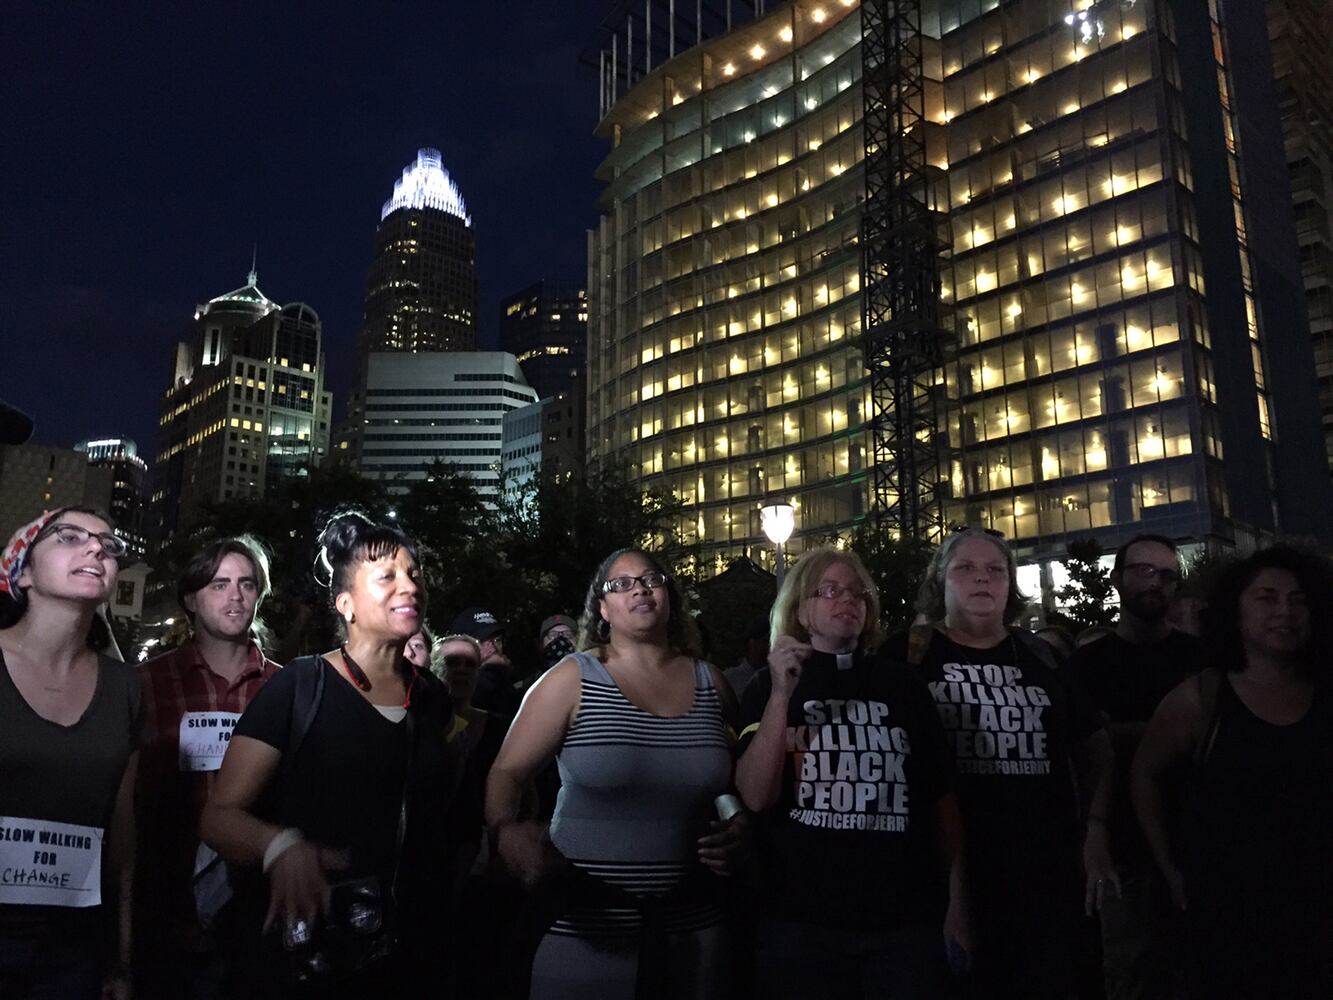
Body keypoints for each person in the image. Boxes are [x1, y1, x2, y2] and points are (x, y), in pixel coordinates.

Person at [200, 511, 457, 998]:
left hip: (412, 953)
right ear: (346, 604)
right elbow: (219, 817)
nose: (410, 586)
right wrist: (281, 846)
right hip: (313, 953)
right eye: (387, 577)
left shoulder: (431, 698)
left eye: (414, 574)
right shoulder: (300, 686)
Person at [485, 548, 741, 999]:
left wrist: (738, 825)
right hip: (583, 928)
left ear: (669, 596)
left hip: (693, 929)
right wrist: (506, 831)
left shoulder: (712, 684)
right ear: (602, 609)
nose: (639, 589)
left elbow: (731, 785)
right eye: (621, 584)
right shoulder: (572, 679)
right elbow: (507, 772)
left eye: (651, 579)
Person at [891, 527, 1115, 999]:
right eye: (966, 568)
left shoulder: (1041, 656)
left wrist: (1095, 831)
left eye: (995, 569)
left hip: (1045, 878)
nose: (982, 578)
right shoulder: (906, 655)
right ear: (939, 579)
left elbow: (1094, 747)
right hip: (939, 875)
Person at [735, 546, 966, 998]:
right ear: (800, 610)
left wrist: (958, 900)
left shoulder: (903, 687)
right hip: (801, 921)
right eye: (830, 590)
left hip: (901, 921)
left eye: (858, 592)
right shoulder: (767, 686)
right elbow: (756, 796)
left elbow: (941, 798)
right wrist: (781, 696)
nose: (848, 599)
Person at [1132, 546, 1333, 998]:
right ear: (1234, 612)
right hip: (1228, 919)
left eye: (1299, 600)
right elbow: (1145, 774)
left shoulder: (1326, 694)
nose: (1285, 612)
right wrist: (1169, 868)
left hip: (1319, 913)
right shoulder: (1202, 699)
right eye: (1267, 598)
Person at [0, 508, 140, 999]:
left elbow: (122, 836)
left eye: (108, 544)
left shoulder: (126, 687)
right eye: (69, 536)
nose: (96, 548)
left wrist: (119, 959)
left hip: (72, 952)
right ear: (23, 573)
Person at [135, 535, 282, 999]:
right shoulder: (145, 685)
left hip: (256, 906)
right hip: (163, 903)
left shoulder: (286, 688)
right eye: (219, 584)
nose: (235, 596)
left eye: (246, 584)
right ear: (190, 599)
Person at [1068, 533, 1202, 1000]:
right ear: (1117, 578)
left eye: (1167, 575)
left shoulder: (1201, 659)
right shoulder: (1085, 666)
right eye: (1144, 571)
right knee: (1131, 975)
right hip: (1119, 847)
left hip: (1195, 841)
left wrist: (1122, 733)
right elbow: (1081, 753)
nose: (1156, 582)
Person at [453, 607, 521, 717]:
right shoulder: (463, 691)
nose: (493, 647)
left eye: (497, 640)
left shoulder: (508, 684)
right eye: (481, 641)